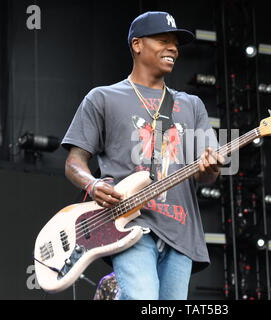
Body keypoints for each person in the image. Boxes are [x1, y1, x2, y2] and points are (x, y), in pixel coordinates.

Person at [61, 11, 223, 300]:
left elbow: (207, 176)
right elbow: (74, 162)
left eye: (175, 44)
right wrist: (93, 184)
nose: (173, 48)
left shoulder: (192, 105)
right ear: (137, 45)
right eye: (163, 40)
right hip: (128, 224)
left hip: (182, 232)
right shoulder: (103, 98)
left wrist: (212, 167)